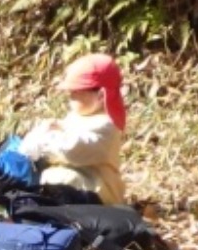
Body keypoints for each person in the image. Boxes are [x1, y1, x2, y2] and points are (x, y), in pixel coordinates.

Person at [17, 52, 128, 203]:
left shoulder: (107, 125)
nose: (70, 97)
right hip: (79, 186)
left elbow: (73, 151)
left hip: (100, 193)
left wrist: (48, 138)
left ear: (101, 96)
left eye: (75, 93)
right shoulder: (78, 116)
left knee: (59, 177)